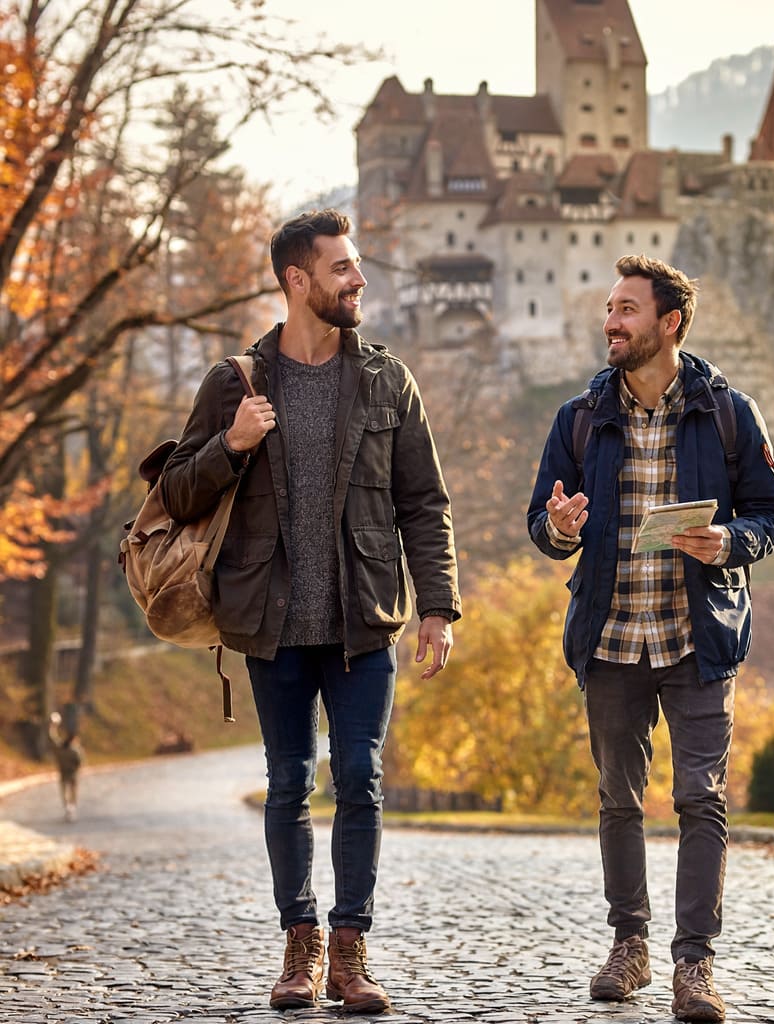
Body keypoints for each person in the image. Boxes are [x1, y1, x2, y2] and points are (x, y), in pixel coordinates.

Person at [160, 210, 461, 1013]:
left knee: (360, 776)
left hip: (365, 622)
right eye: (341, 269)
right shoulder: (237, 382)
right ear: (297, 280)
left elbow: (424, 504)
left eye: (355, 266)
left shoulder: (388, 380)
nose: (357, 279)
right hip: (273, 625)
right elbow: (174, 496)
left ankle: (351, 952)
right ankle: (301, 946)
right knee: (289, 784)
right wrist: (231, 446)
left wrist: (438, 609)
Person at [527, 254, 774, 1023]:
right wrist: (559, 526)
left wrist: (729, 542)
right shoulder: (578, 418)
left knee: (701, 797)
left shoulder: (729, 413)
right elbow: (541, 524)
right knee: (618, 799)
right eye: (609, 309)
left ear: (669, 322)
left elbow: (771, 515)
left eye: (627, 310)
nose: (611, 322)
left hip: (698, 637)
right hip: (610, 638)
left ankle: (695, 965)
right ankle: (630, 946)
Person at [48, 710, 83, 823]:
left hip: (63, 773)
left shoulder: (59, 748)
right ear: (73, 740)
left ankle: (68, 809)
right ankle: (72, 809)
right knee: (73, 792)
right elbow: (80, 762)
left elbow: (52, 737)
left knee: (64, 792)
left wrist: (53, 726)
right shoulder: (75, 751)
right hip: (73, 774)